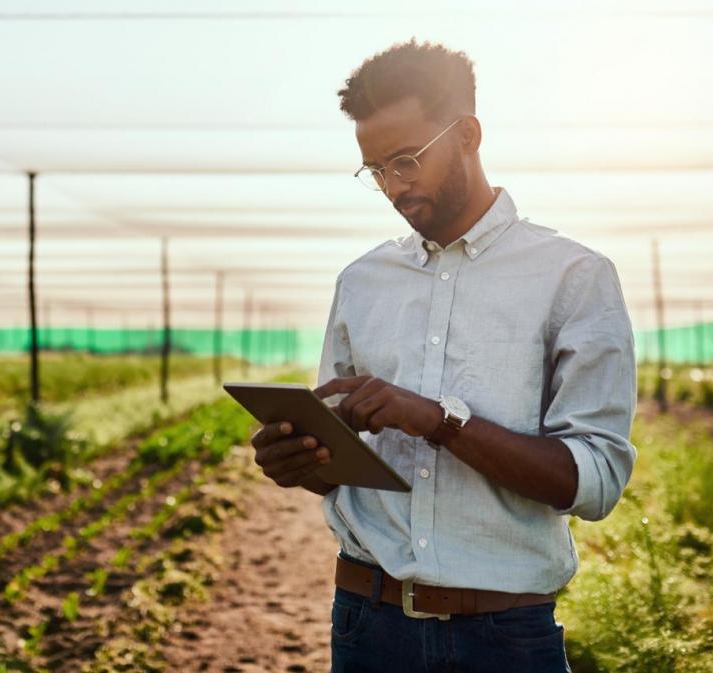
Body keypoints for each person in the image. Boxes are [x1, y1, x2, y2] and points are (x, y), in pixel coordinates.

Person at [249, 38, 638, 672]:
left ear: (467, 134)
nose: (392, 188)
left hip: (505, 638)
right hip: (365, 623)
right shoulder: (362, 282)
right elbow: (340, 464)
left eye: (405, 161)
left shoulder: (573, 277)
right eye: (375, 170)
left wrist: (437, 421)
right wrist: (300, 460)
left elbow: (593, 482)